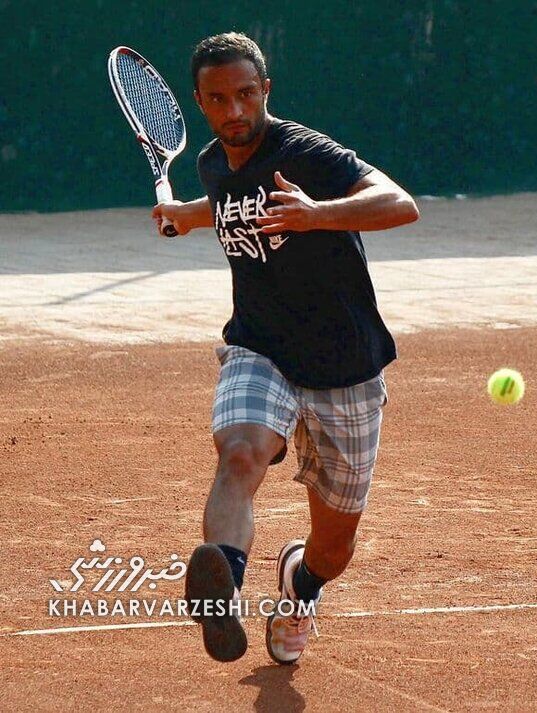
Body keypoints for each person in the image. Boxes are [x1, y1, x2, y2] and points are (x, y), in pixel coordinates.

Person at [152, 32, 419, 664]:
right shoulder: (214, 161)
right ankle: (224, 589)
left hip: (345, 366)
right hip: (260, 348)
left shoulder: (303, 152)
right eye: (219, 100)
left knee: (333, 550)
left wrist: (316, 214)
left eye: (246, 95)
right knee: (240, 455)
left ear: (265, 90)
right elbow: (223, 199)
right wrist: (186, 216)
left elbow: (400, 204)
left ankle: (299, 587)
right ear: (200, 102)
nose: (235, 111)